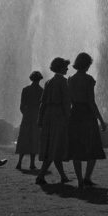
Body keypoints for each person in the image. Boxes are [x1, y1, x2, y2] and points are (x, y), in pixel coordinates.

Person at [67, 52, 106, 189]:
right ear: (87, 64)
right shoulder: (89, 80)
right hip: (87, 116)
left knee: (76, 148)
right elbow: (91, 102)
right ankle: (87, 177)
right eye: (89, 64)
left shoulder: (70, 80)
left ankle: (79, 180)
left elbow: (70, 101)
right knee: (93, 147)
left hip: (75, 114)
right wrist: (101, 120)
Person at [36, 57, 71, 185]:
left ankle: (63, 177)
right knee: (55, 147)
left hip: (48, 116)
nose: (67, 69)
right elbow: (66, 103)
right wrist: (68, 118)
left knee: (53, 147)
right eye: (65, 67)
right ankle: (40, 176)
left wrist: (40, 119)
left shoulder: (48, 82)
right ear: (61, 68)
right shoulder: (63, 82)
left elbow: (42, 103)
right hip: (58, 116)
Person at [15, 71, 44, 170]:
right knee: (34, 140)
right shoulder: (41, 91)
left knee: (24, 139)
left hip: (27, 116)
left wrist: (26, 114)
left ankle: (19, 163)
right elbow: (42, 107)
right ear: (40, 79)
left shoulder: (25, 89)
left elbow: (22, 106)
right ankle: (32, 164)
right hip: (36, 117)